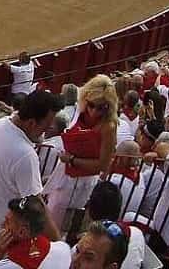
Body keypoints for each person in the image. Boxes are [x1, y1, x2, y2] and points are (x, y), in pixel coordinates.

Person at [0, 90, 59, 254]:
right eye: (45, 126)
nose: (47, 131)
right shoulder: (26, 155)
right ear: (32, 123)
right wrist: (58, 244)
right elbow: (37, 207)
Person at [43, 75, 118, 233]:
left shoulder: (108, 126)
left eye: (101, 107)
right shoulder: (80, 110)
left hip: (81, 181)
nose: (94, 111)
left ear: (109, 106)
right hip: (64, 174)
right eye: (91, 105)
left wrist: (72, 159)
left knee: (63, 226)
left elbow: (103, 165)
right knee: (51, 215)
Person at [0, 196, 67, 269]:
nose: (2, 225)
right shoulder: (62, 248)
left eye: (7, 222)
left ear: (22, 232)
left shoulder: (5, 266)